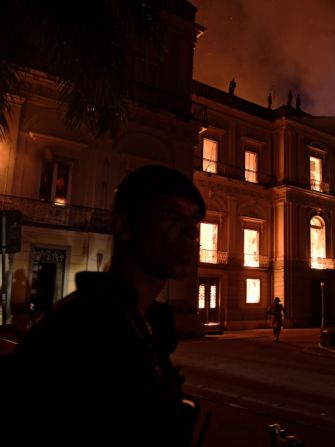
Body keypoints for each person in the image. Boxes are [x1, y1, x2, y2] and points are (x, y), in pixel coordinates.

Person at [3, 165, 206, 445]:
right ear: (123, 227)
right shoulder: (78, 330)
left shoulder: (147, 324)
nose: (190, 233)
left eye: (194, 221)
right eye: (172, 215)